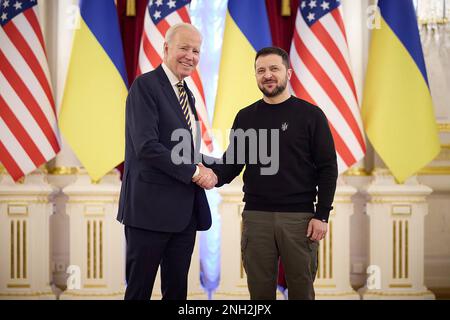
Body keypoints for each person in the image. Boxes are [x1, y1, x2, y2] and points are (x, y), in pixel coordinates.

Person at [211, 47, 338, 300]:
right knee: (259, 293)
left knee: (302, 290)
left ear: (288, 73)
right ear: (256, 75)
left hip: (300, 219)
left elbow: (328, 168)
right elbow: (232, 164)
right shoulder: (246, 117)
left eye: (274, 69)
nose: (267, 75)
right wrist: (203, 172)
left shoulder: (311, 115)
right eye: (261, 70)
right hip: (256, 217)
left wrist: (321, 215)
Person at [117, 23, 217, 300]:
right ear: (166, 48)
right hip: (148, 212)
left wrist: (224, 165)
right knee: (139, 291)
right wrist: (196, 173)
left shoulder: (187, 93)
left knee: (176, 292)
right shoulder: (145, 86)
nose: (191, 56)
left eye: (196, 50)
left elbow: (185, 151)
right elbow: (147, 147)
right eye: (184, 48)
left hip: (184, 215)